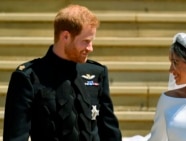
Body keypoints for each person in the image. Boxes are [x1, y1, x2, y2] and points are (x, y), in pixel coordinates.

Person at [3, 4, 122, 141]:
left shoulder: (96, 72)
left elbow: (110, 133)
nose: (90, 48)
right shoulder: (28, 77)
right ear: (66, 36)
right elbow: (15, 137)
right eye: (85, 41)